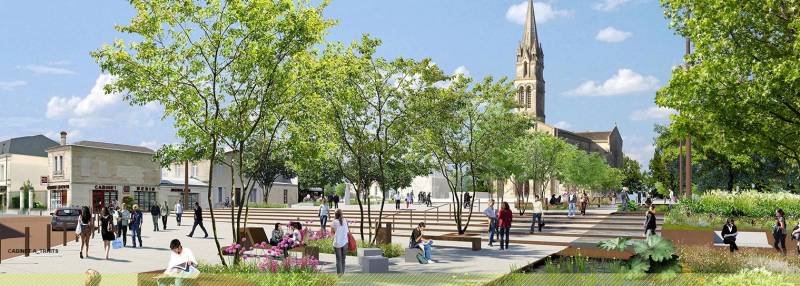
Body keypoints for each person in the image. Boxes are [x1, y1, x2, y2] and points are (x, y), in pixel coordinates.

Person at [331, 209, 349, 275]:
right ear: (341, 214)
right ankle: (342, 274)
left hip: (337, 243)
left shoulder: (334, 222)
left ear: (335, 214)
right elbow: (347, 231)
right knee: (343, 259)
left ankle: (339, 276)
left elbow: (332, 232)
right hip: (345, 242)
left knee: (338, 260)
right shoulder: (345, 220)